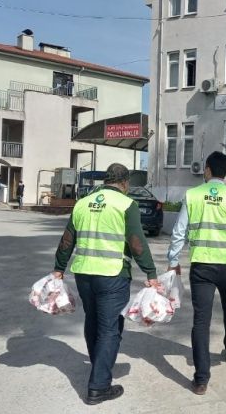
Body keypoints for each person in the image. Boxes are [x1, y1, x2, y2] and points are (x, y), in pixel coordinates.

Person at [52, 163, 159, 406]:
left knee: (92, 320)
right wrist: (150, 271)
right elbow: (136, 241)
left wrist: (59, 268)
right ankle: (99, 386)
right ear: (124, 183)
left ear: (105, 180)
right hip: (112, 275)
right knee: (110, 328)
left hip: (84, 274)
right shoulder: (125, 204)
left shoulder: (83, 203)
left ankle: (98, 365)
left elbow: (68, 238)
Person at [167, 151, 226, 396]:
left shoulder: (192, 195)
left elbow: (179, 231)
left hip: (201, 267)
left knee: (201, 320)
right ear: (225, 172)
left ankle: (201, 379)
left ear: (208, 170)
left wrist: (173, 261)